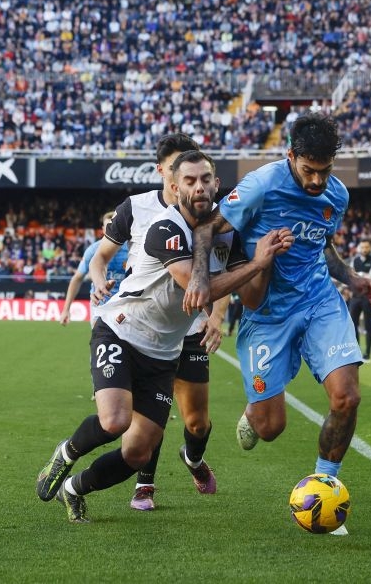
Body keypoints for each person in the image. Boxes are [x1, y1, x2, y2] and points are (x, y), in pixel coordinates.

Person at [35, 150, 293, 523]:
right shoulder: (165, 228)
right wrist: (256, 263)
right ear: (175, 187)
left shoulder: (229, 234)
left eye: (206, 179)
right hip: (121, 331)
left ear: (217, 185)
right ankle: (66, 452)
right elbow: (198, 288)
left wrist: (266, 256)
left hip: (164, 353)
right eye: (189, 181)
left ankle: (74, 488)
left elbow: (250, 295)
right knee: (114, 421)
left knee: (139, 452)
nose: (199, 186)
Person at [183, 113, 371, 536]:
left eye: (324, 171)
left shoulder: (337, 195)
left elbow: (322, 245)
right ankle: (255, 413)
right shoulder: (263, 184)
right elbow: (206, 229)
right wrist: (202, 280)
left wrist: (353, 279)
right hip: (267, 313)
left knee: (346, 397)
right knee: (271, 428)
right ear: (291, 156)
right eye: (308, 171)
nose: (316, 181)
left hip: (319, 300)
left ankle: (324, 483)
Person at [86, 134, 230, 511]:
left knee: (197, 422)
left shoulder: (215, 216)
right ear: (164, 172)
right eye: (177, 170)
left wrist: (215, 316)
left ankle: (193, 458)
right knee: (152, 412)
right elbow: (99, 257)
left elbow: (225, 267)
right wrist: (99, 279)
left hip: (192, 329)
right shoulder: (137, 208)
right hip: (146, 326)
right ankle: (145, 484)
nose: (190, 180)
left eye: (199, 174)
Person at [60, 211, 129, 329]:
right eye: (108, 227)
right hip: (100, 304)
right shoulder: (93, 250)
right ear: (102, 229)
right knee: (100, 342)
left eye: (113, 226)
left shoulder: (131, 249)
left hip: (125, 305)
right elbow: (77, 279)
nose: (111, 230)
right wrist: (66, 309)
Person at [348, 240, 371, 360]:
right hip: (355, 296)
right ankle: (356, 351)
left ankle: (367, 353)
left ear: (370, 248)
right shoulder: (354, 260)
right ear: (359, 248)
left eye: (367, 247)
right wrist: (362, 275)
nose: (365, 249)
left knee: (368, 325)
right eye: (363, 247)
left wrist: (359, 275)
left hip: (368, 297)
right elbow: (350, 275)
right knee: (352, 325)